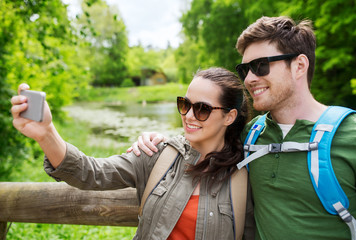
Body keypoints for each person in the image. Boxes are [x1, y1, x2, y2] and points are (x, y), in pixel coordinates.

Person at [129, 16, 356, 240]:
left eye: (260, 66)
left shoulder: (353, 137)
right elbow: (200, 134)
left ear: (299, 66)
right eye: (245, 69)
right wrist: (157, 140)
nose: (249, 79)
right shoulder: (249, 135)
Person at [11, 67, 253, 240]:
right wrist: (46, 134)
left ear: (229, 116)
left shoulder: (246, 174)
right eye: (185, 104)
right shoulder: (157, 154)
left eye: (202, 109)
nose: (189, 116)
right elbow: (91, 172)